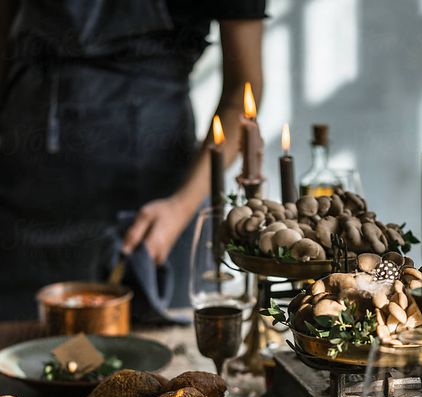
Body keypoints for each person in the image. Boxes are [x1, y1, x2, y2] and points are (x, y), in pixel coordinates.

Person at [0, 1, 266, 319]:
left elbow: (243, 88)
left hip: (153, 207)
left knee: (152, 359)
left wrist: (180, 207)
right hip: (22, 201)